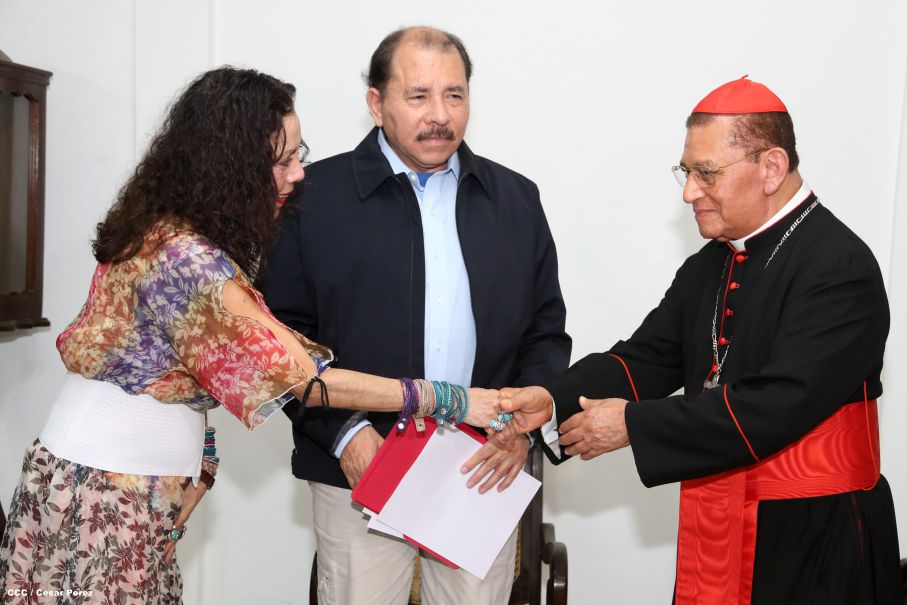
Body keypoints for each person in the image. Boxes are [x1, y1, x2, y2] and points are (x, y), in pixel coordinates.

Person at [0, 66, 502, 605]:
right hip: (101, 496)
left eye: (298, 154)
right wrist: (448, 399)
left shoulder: (175, 232)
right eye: (282, 161)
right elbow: (309, 383)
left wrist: (203, 456)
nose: (297, 174)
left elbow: (173, 368)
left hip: (126, 488)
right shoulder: (188, 261)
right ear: (231, 168)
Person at [501, 77, 901, 604]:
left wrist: (631, 427)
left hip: (815, 535)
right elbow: (644, 359)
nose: (689, 191)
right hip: (720, 516)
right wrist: (550, 400)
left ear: (771, 168)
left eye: (705, 173)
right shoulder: (711, 264)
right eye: (686, 172)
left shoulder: (839, 265)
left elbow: (778, 404)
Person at [262, 26, 570, 605]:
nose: (440, 115)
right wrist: (343, 435)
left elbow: (545, 332)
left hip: (481, 463)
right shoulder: (313, 198)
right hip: (358, 463)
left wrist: (520, 426)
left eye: (454, 95)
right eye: (418, 95)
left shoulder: (516, 200)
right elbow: (278, 342)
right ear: (376, 104)